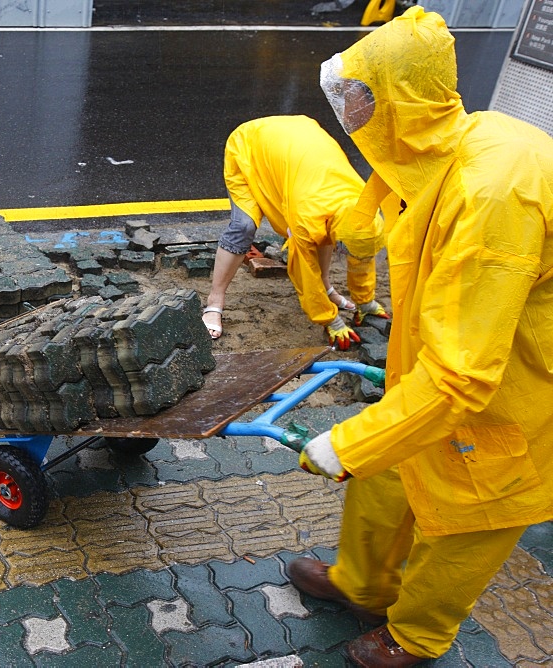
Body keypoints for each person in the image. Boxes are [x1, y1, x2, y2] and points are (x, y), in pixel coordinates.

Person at [292, 7, 553, 666]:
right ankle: (361, 585)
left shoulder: (494, 194)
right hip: (450, 363)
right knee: (386, 478)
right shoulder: (444, 146)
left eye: (359, 98)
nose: (350, 113)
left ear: (401, 101)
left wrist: (345, 441)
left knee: (467, 521)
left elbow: (465, 376)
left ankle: (415, 636)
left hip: (511, 390)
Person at [202, 115, 390, 350]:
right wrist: (330, 319)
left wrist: (366, 302)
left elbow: (360, 254)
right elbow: (303, 269)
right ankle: (214, 301)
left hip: (297, 143)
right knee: (244, 226)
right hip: (251, 146)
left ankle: (327, 287)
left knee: (324, 234)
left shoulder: (361, 211)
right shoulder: (308, 214)